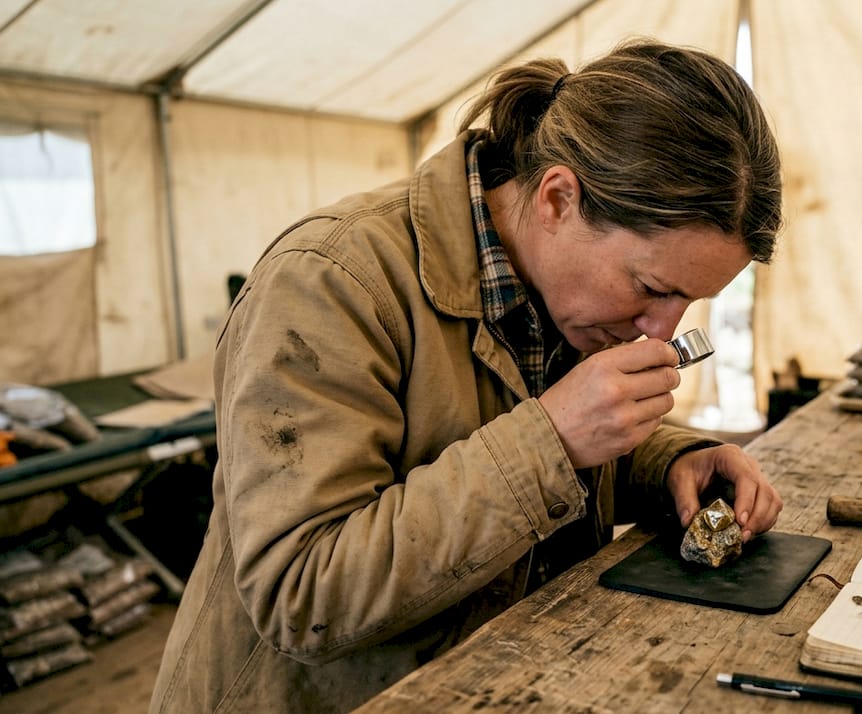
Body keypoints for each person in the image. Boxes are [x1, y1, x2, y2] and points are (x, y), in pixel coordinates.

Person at [150, 38, 783, 713]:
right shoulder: (331, 282)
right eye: (650, 286)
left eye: (688, 302)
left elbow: (502, 445)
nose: (662, 327)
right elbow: (302, 593)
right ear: (558, 198)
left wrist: (670, 462)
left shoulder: (569, 295)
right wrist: (551, 440)